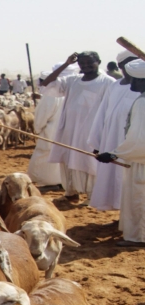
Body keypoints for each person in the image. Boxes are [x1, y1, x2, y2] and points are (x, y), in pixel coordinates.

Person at [42, 51, 115, 204]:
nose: (86, 66)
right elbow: (47, 83)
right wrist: (66, 64)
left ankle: (91, 195)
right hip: (69, 128)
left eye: (90, 62)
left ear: (99, 62)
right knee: (68, 159)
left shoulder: (108, 82)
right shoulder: (72, 80)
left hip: (92, 130)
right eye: (82, 63)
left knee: (89, 161)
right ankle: (71, 192)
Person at [96, 60, 145, 246]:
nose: (130, 83)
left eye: (133, 79)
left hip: (141, 162)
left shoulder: (142, 103)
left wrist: (114, 154)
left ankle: (139, 237)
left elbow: (139, 140)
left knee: (140, 198)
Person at [88, 51, 140, 211]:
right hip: (111, 140)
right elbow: (102, 114)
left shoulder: (141, 87)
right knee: (113, 177)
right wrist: (97, 141)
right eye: (128, 64)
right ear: (121, 67)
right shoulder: (114, 86)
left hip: (134, 143)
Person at [27, 63, 79, 187]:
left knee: (47, 155)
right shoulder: (76, 90)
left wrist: (38, 128)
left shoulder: (52, 93)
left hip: (52, 131)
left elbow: (43, 115)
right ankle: (66, 182)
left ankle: (48, 182)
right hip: (73, 131)